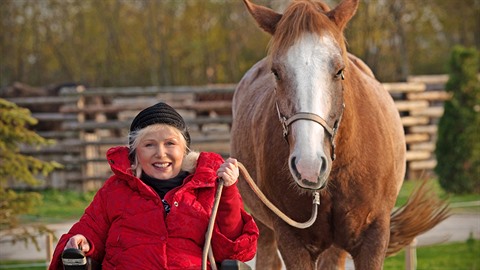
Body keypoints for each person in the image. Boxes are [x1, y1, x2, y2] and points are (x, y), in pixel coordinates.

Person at [49, 102, 259, 269]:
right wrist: (81, 241)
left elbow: (234, 252)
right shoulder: (115, 191)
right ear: (135, 152)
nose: (160, 153)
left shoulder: (208, 190)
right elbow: (88, 231)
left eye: (170, 143)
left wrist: (229, 191)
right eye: (149, 144)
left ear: (184, 150)